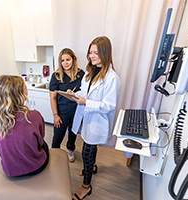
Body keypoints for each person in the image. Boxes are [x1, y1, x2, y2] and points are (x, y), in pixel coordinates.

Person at [69, 36, 120, 200]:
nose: (92, 56)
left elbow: (108, 105)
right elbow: (85, 94)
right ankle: (93, 166)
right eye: (90, 52)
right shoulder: (89, 73)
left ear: (105, 53)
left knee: (86, 153)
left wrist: (86, 102)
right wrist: (75, 95)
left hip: (97, 121)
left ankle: (86, 187)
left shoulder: (112, 78)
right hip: (87, 118)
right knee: (89, 147)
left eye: (96, 53)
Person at [0, 75, 49, 177]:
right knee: (44, 144)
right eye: (25, 88)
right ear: (21, 94)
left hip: (10, 170)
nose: (27, 91)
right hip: (36, 167)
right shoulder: (34, 116)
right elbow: (40, 140)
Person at [49, 48, 85, 162]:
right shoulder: (56, 76)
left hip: (77, 111)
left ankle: (70, 149)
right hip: (62, 112)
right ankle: (54, 154)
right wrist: (55, 115)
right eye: (62, 60)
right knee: (58, 136)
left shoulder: (80, 74)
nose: (65, 63)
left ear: (73, 59)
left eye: (68, 59)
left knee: (73, 134)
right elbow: (52, 97)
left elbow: (85, 92)